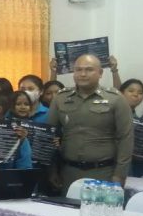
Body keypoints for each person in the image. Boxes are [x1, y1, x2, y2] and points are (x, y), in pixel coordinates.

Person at [47, 54, 133, 191]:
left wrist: (120, 175)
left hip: (103, 172)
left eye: (89, 70)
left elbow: (126, 139)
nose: (83, 74)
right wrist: (52, 170)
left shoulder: (116, 99)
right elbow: (49, 136)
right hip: (68, 172)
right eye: (78, 70)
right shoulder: (61, 98)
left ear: (100, 73)